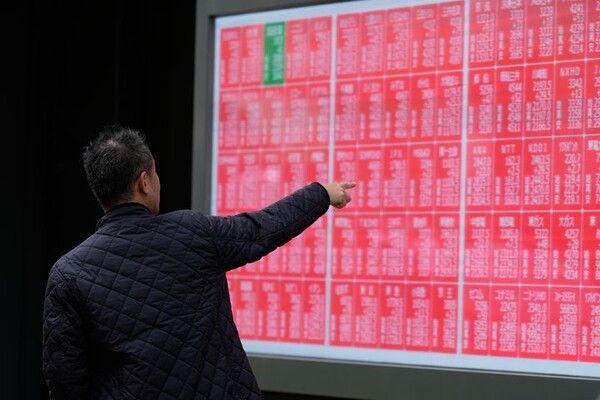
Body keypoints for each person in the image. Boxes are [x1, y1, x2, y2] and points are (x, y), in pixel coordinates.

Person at [42, 125, 355, 400]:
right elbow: (261, 230)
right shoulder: (192, 232)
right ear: (144, 182)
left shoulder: (69, 273)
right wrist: (322, 194)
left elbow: (65, 381)